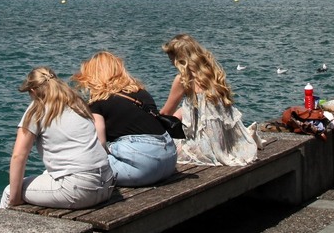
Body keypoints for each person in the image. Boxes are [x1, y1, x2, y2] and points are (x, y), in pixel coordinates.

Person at [0, 66, 114, 209]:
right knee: (46, 174)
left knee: (9, 192)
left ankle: (3, 231)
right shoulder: (77, 103)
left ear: (33, 91)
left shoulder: (38, 107)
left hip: (81, 190)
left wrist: (15, 199)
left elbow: (18, 156)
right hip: (107, 183)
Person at [71, 51, 178, 187]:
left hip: (143, 168)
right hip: (168, 160)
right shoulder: (142, 92)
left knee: (81, 169)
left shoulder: (98, 102)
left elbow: (100, 144)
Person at [159, 34, 259, 166]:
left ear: (179, 58)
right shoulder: (211, 73)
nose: (170, 61)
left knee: (166, 149)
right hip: (223, 139)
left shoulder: (183, 79)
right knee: (182, 110)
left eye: (171, 57)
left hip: (207, 143)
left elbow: (166, 113)